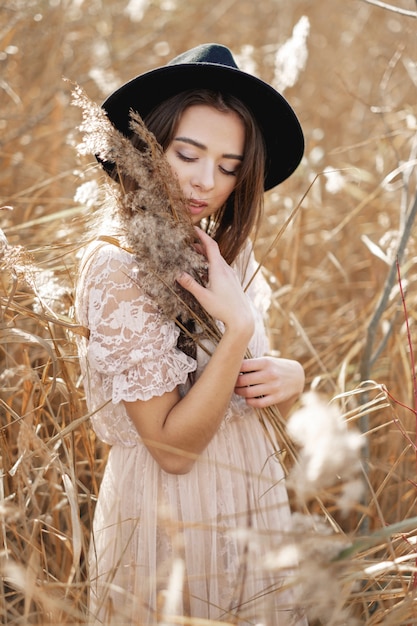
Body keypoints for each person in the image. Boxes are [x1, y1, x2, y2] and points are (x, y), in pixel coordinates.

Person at [75, 43, 307, 625]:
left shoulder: (227, 250)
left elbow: (243, 371)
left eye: (229, 167)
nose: (207, 182)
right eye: (187, 154)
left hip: (251, 491)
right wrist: (238, 332)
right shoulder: (116, 265)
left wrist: (289, 375)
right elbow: (173, 450)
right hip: (171, 514)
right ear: (147, 146)